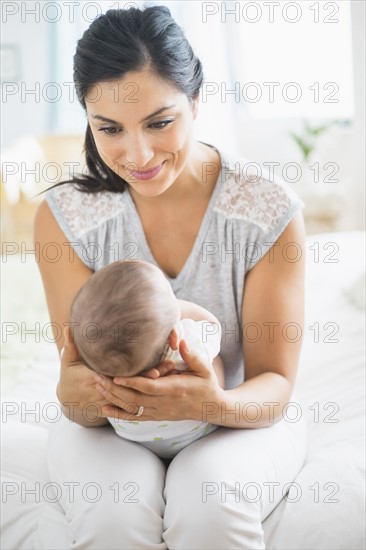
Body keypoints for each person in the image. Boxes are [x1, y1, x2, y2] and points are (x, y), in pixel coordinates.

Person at [34, 5, 308, 549]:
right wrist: (76, 398)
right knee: (112, 517)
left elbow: (274, 383)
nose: (137, 155)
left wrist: (209, 405)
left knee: (210, 504)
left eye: (160, 122)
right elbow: (79, 387)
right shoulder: (64, 218)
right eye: (108, 128)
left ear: (196, 100)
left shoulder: (266, 210)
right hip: (113, 427)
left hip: (237, 414)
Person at [70, 259, 223, 458]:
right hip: (197, 436)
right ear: (174, 336)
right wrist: (177, 310)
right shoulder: (188, 345)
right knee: (215, 360)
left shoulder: (96, 367)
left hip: (136, 442)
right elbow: (212, 325)